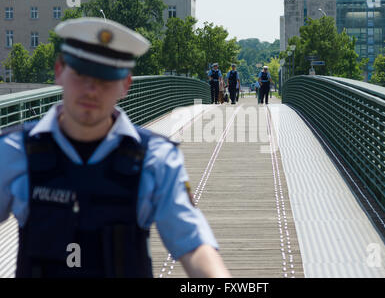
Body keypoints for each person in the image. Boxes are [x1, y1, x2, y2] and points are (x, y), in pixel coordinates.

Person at [0, 17, 230, 278]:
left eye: (106, 79)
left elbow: (193, 245)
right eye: (81, 74)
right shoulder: (15, 150)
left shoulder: (155, 159)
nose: (91, 90)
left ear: (126, 85)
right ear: (59, 70)